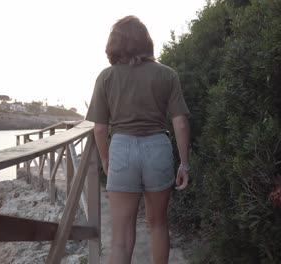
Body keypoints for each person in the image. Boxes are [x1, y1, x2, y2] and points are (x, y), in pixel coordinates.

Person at [86, 15, 190, 264]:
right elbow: (180, 121)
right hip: (157, 148)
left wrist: (105, 158)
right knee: (158, 224)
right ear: (146, 42)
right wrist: (184, 163)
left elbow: (100, 129)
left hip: (121, 149)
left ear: (114, 44)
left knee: (121, 237)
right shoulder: (167, 74)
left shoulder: (106, 77)